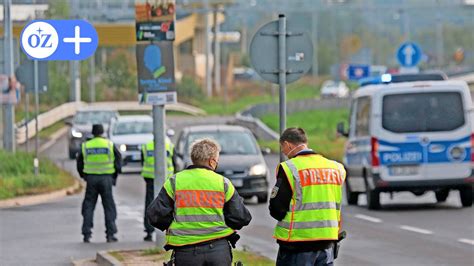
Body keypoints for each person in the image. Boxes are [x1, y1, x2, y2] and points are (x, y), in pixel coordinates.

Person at [146, 138, 252, 266]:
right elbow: (241, 217)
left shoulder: (174, 182)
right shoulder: (223, 183)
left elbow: (155, 215)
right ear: (212, 162)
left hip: (186, 252)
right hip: (219, 251)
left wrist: (174, 225)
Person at [269, 128, 346, 266]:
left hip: (297, 245)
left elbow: (277, 209)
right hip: (327, 243)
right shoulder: (335, 168)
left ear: (288, 144)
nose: (283, 152)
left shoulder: (289, 168)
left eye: (282, 148)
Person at [76, 124, 122, 243]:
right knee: (109, 206)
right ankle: (110, 235)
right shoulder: (109, 144)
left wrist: (84, 176)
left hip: (91, 179)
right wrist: (114, 176)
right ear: (102, 132)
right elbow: (118, 161)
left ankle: (87, 234)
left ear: (93, 132)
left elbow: (79, 163)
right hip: (106, 179)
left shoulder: (86, 146)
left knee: (88, 206)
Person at [140, 136, 176, 241]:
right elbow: (174, 162)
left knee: (150, 204)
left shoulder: (146, 146)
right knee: (169, 205)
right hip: (168, 181)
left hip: (151, 179)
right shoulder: (169, 146)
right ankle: (170, 230)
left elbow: (143, 162)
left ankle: (149, 232)